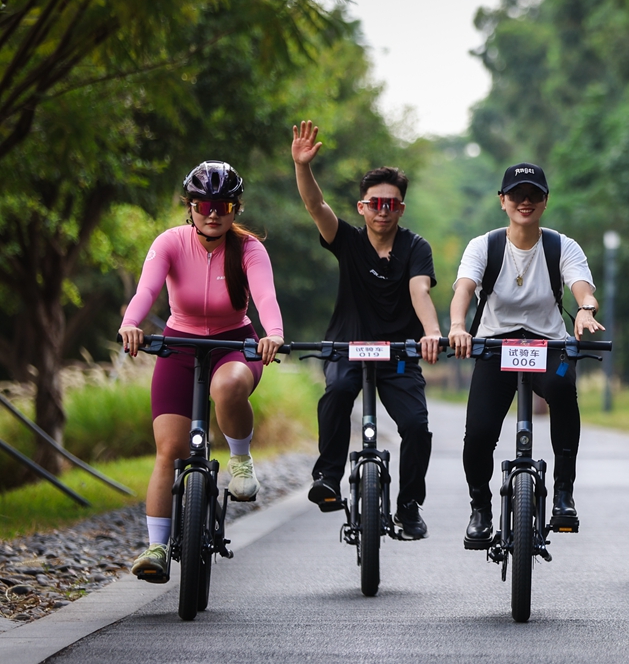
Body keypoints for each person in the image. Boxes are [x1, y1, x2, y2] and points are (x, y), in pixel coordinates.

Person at [119, 161, 284, 581]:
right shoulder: (170, 242)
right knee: (169, 449)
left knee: (228, 387)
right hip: (179, 345)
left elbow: (265, 297)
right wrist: (130, 324)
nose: (214, 212)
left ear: (236, 208)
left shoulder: (249, 249)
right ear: (190, 206)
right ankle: (156, 547)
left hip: (235, 344)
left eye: (224, 204)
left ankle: (241, 460)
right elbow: (147, 290)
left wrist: (274, 334)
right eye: (204, 204)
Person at [291, 120, 442, 540]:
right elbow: (316, 207)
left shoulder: (416, 248)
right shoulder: (348, 241)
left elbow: (420, 292)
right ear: (362, 207)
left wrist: (430, 332)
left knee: (416, 427)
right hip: (348, 347)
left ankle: (409, 506)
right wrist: (303, 167)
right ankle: (328, 477)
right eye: (375, 203)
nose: (382, 210)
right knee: (337, 394)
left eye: (391, 204)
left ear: (401, 209)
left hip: (399, 354)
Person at [448, 162, 604, 549]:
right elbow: (464, 289)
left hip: (547, 344)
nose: (525, 201)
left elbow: (582, 288)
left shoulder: (561, 246)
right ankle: (480, 508)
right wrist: (456, 327)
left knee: (563, 391)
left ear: (545, 202)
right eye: (517, 194)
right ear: (503, 201)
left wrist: (586, 309)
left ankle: (563, 495)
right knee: (480, 433)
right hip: (496, 345)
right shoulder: (483, 246)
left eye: (534, 194)